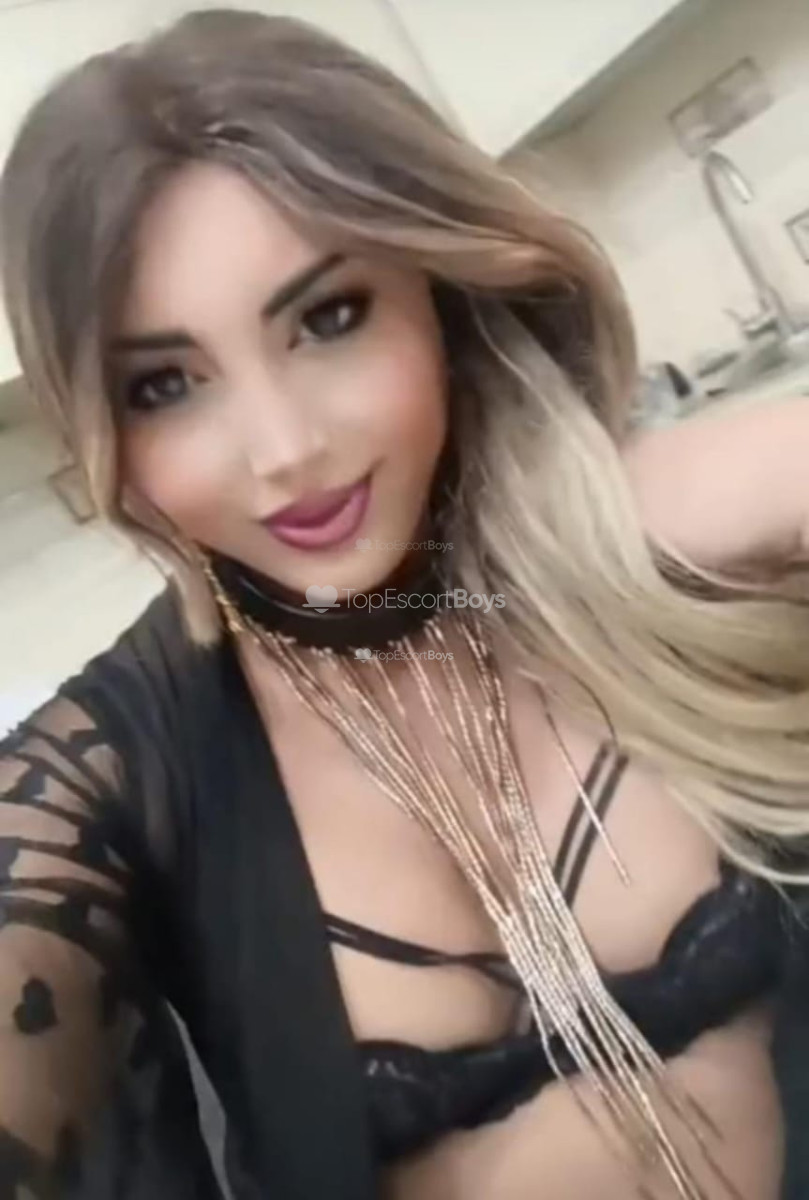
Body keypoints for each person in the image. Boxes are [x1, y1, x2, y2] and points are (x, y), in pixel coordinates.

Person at [1, 10, 808, 1199]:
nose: (284, 450)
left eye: (327, 317)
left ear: (434, 289)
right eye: (166, 384)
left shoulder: (633, 538)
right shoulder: (105, 782)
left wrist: (631, 510)